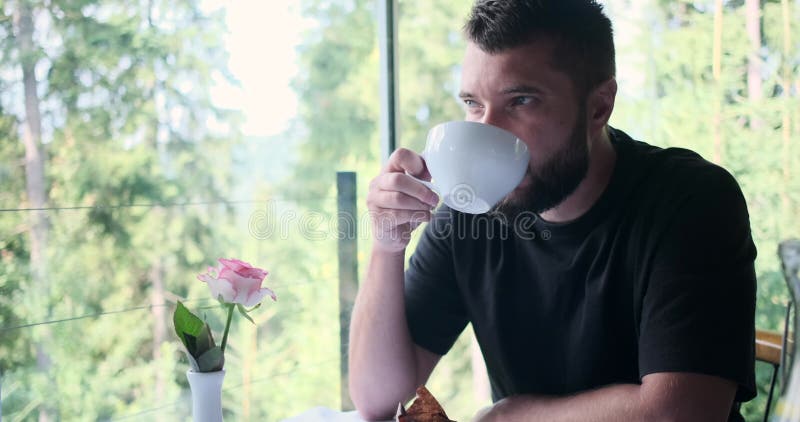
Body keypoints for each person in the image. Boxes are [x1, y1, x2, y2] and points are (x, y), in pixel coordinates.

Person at [348, 1, 757, 421]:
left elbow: (683, 412)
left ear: (599, 106)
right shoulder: (470, 215)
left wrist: (513, 417)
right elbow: (379, 399)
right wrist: (387, 244)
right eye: (473, 104)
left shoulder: (691, 200)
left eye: (521, 101)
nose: (486, 132)